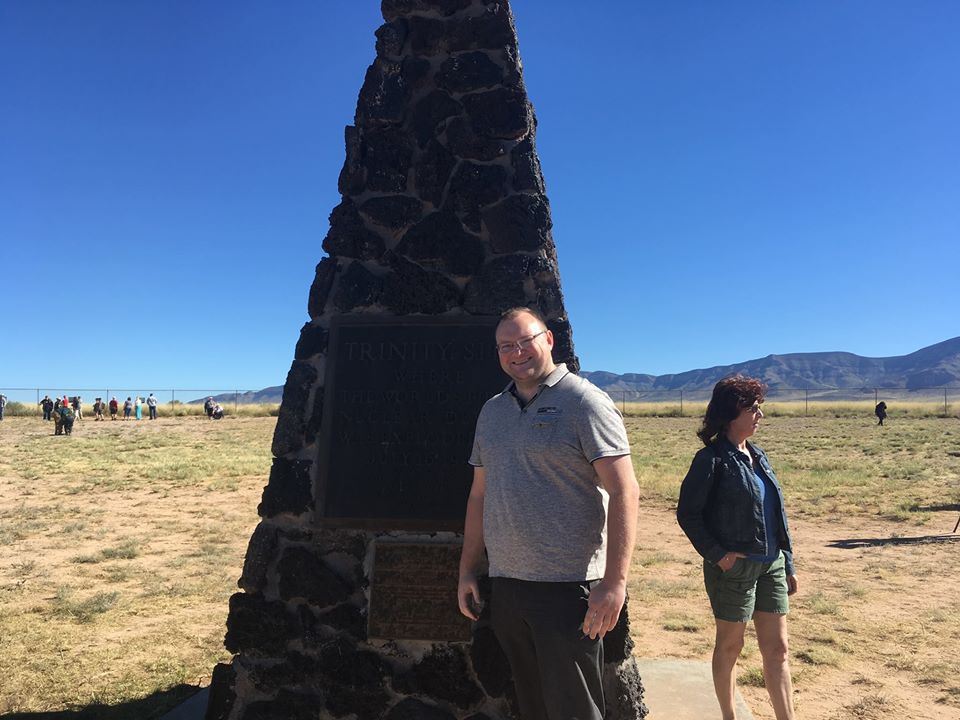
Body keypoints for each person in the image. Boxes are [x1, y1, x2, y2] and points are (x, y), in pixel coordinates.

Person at [457, 307, 639, 720]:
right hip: (508, 588)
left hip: (568, 590)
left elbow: (624, 490)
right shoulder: (493, 411)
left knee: (575, 711)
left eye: (525, 340)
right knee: (533, 706)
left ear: (548, 340)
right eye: (506, 346)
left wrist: (614, 583)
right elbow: (479, 496)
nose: (516, 352)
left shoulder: (585, 402)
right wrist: (468, 569)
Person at [677, 375, 798, 720]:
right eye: (753, 408)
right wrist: (720, 555)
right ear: (733, 412)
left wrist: (787, 561)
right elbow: (688, 514)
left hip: (770, 564)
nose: (760, 415)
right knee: (731, 646)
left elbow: (778, 513)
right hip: (734, 569)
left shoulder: (758, 456)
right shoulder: (711, 460)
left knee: (777, 649)